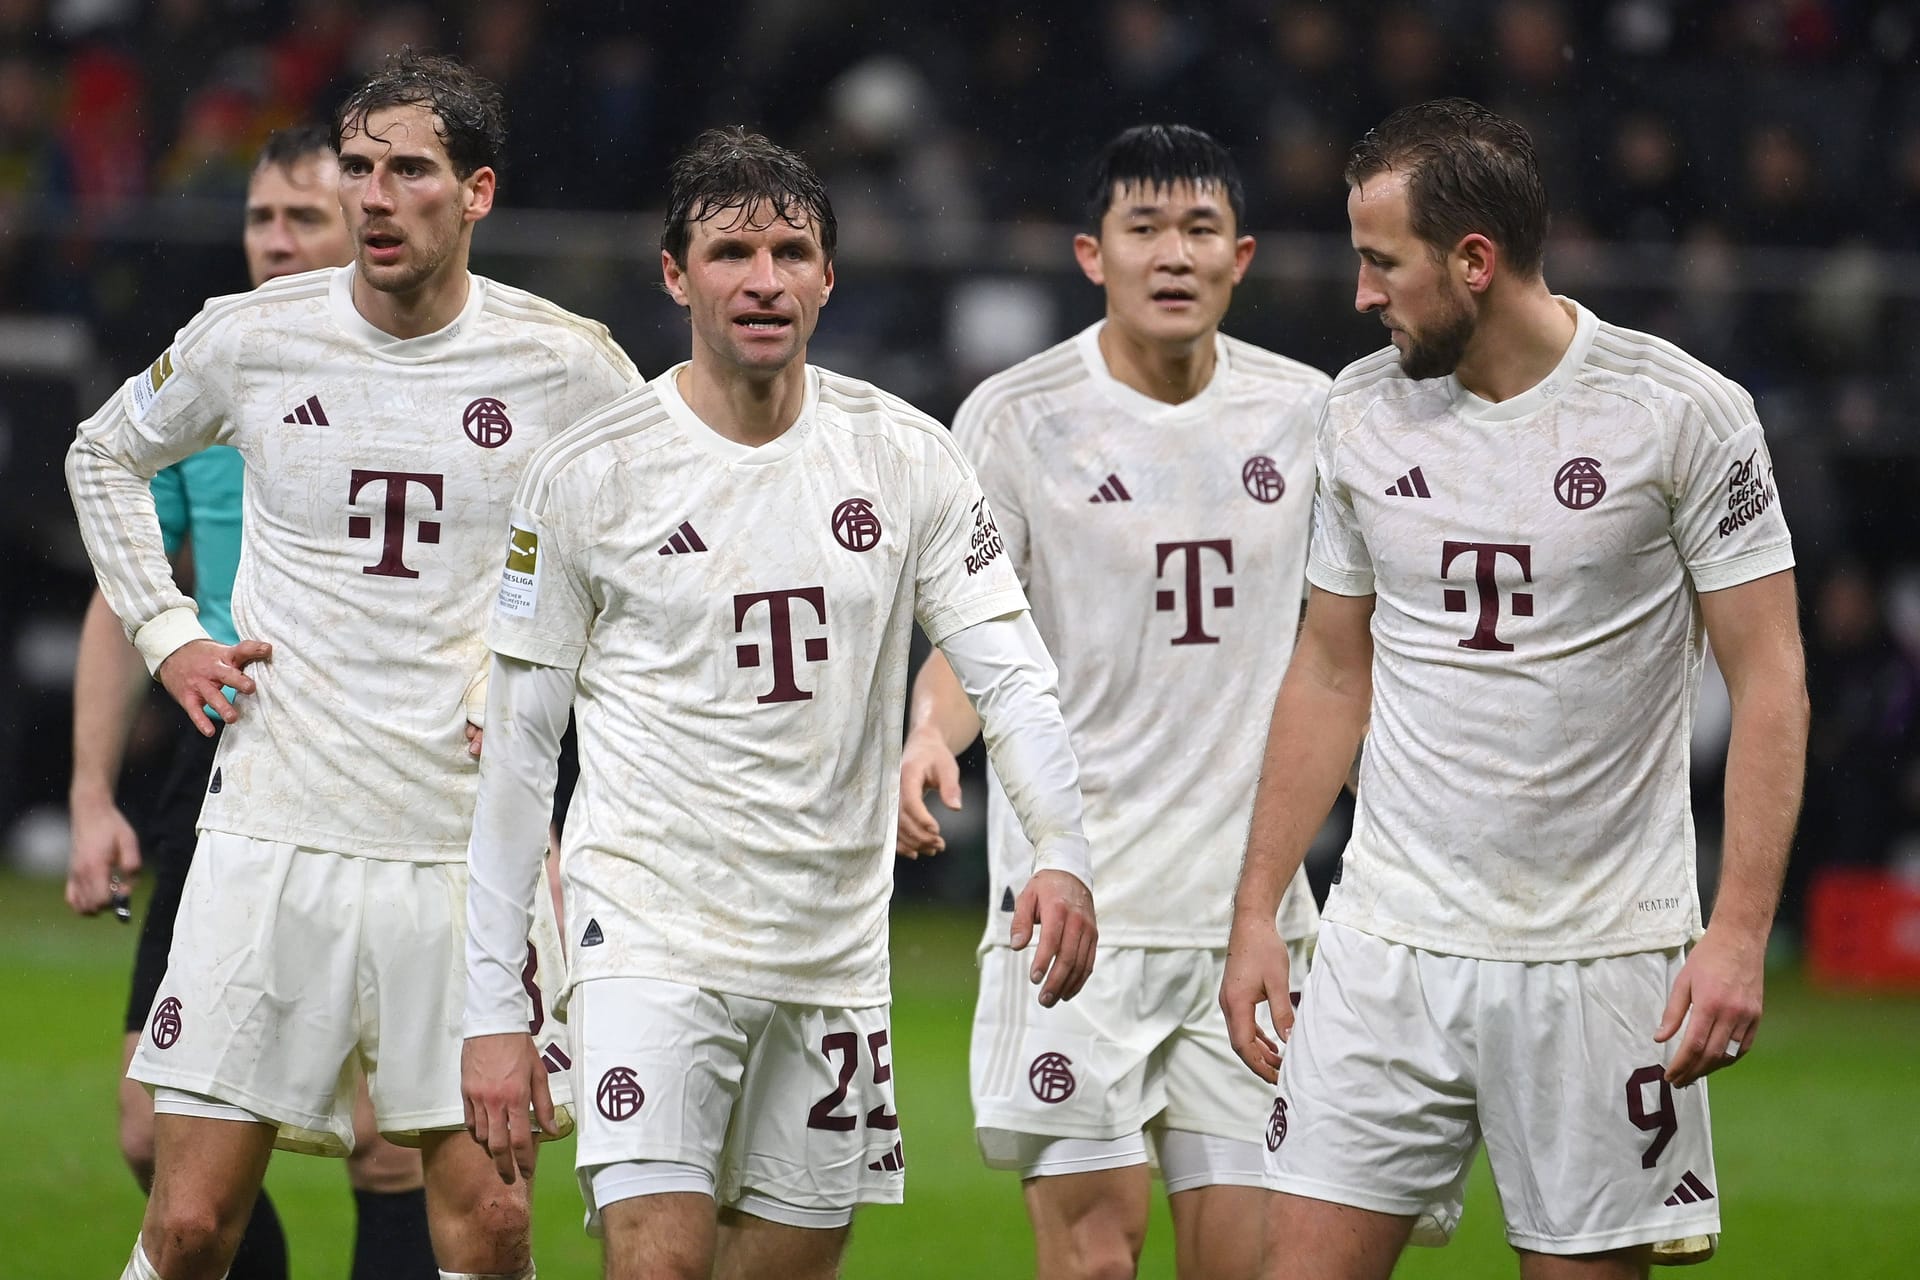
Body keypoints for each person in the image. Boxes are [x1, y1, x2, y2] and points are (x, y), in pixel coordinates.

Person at [456, 127, 1098, 1280]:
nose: (764, 279)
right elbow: (516, 755)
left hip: (831, 950)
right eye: (731, 252)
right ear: (674, 274)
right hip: (648, 929)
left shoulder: (906, 457)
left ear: (828, 277)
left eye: (792, 251)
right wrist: (493, 1004)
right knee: (657, 1262)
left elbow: (1011, 670)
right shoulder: (591, 474)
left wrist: (1064, 846)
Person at [66, 52, 639, 1280]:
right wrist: (170, 635)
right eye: (361, 170)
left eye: (411, 171)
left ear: (476, 192)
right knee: (184, 1224)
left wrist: (547, 677)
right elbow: (100, 456)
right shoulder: (252, 337)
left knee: (487, 1228)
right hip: (273, 826)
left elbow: (656, 548)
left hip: (465, 851)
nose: (378, 198)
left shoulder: (568, 364)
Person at [1219, 98, 1808, 1280]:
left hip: (1601, 956)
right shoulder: (1354, 413)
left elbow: (1772, 676)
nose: (1362, 295)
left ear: (1474, 262)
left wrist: (1738, 932)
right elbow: (1332, 668)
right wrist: (1257, 907)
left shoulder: (1681, 413)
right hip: (1388, 940)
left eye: (1382, 263)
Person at [896, 123, 1327, 1280]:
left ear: (1244, 254)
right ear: (1093, 254)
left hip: (1249, 912)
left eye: (1199, 229)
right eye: (1145, 229)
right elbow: (978, 639)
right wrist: (931, 731)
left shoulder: (1310, 414)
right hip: (1074, 911)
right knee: (1091, 1258)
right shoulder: (1017, 417)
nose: (1173, 255)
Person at [64, 121, 442, 1280]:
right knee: (151, 1131)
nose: (275, 242)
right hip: (224, 754)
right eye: (260, 219)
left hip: (389, 768)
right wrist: (90, 793)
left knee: (388, 1143)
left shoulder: (425, 379)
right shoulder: (219, 372)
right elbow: (119, 588)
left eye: (304, 219)